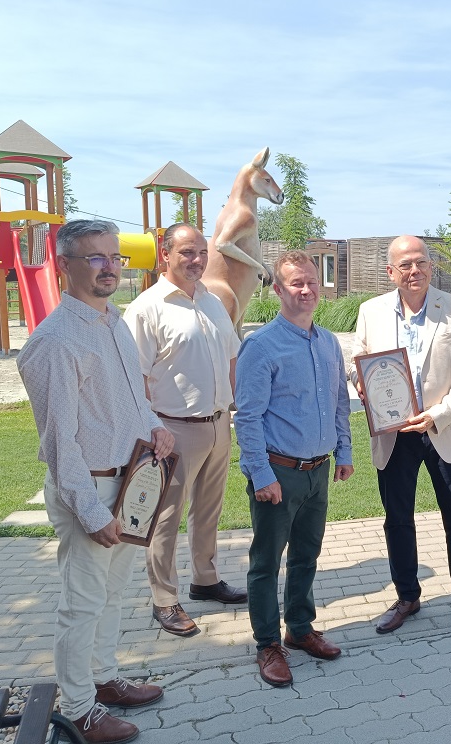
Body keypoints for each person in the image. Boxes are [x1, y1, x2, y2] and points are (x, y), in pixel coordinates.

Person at [18, 219, 175, 744]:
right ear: (64, 266)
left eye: (115, 257)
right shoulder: (56, 342)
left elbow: (127, 400)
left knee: (111, 596)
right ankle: (79, 707)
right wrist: (90, 511)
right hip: (90, 490)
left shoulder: (113, 323)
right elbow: (60, 441)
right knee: (81, 604)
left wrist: (154, 427)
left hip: (129, 485)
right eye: (96, 258)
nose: (110, 267)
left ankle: (104, 680)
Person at [350, 235, 451, 642]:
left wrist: (437, 414)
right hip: (393, 436)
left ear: (431, 266)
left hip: (443, 429)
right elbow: (359, 365)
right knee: (397, 521)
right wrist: (363, 385)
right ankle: (407, 597)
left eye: (421, 262)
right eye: (405, 264)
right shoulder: (370, 311)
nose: (414, 271)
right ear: (390, 271)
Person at [234, 251, 354, 688]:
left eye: (311, 283)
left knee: (307, 555)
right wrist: (260, 475)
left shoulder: (327, 342)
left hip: (318, 471)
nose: (305, 290)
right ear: (278, 290)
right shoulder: (261, 345)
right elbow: (246, 418)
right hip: (278, 474)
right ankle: (268, 644)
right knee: (266, 562)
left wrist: (344, 451)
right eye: (295, 284)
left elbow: (340, 403)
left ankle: (300, 629)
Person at [122, 223, 245, 638]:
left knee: (208, 511)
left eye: (201, 252)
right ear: (165, 254)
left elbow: (231, 358)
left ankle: (205, 580)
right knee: (165, 519)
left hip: (216, 424)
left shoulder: (210, 301)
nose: (196, 260)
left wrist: (234, 407)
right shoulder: (146, 308)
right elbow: (133, 378)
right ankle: (163, 599)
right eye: (187, 252)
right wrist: (152, 428)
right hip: (171, 430)